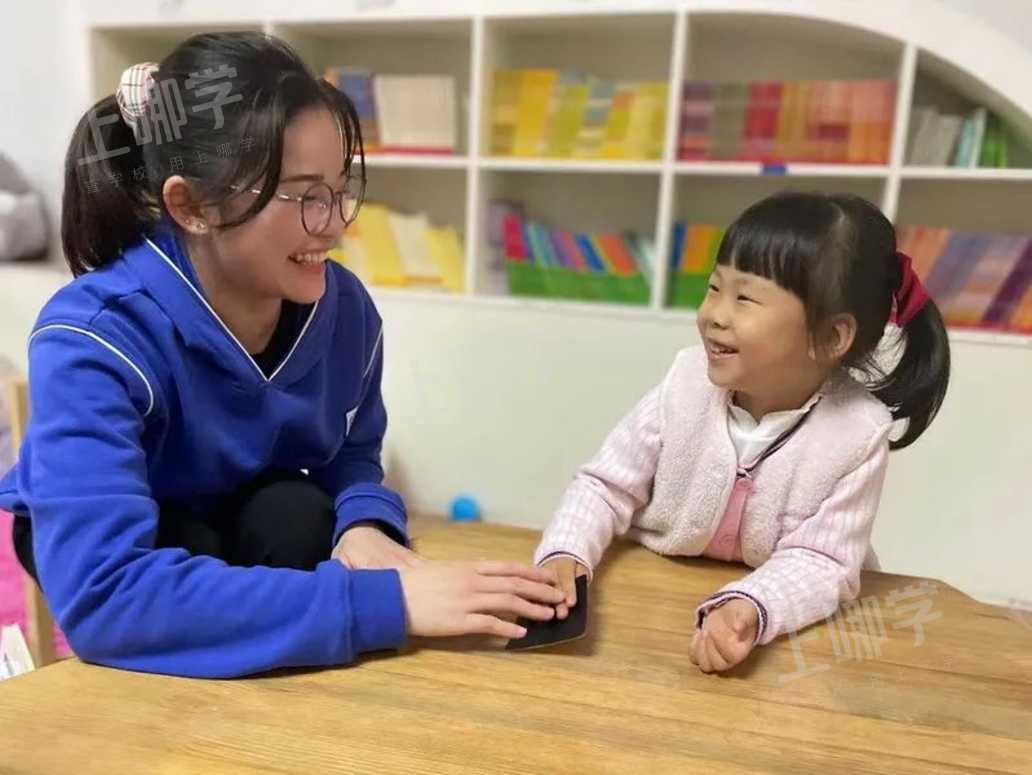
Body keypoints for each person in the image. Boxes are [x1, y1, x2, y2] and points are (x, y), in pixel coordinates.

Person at [0, 31, 561, 678]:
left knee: (299, 520)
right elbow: (106, 594)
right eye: (304, 196)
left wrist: (366, 524)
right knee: (188, 554)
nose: (336, 225)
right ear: (192, 206)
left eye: (341, 189)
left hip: (231, 495)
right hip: (122, 529)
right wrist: (393, 602)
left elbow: (352, 452)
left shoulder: (343, 311)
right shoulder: (91, 336)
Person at [534, 191, 951, 673]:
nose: (714, 313)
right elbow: (604, 487)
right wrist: (565, 551)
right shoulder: (684, 383)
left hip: (797, 643)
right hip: (645, 603)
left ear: (831, 336)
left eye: (744, 298)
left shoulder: (858, 434)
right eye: (714, 287)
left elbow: (823, 562)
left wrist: (752, 606)